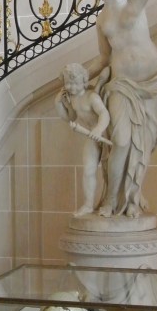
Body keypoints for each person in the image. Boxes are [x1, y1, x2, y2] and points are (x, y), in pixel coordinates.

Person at [87, 0, 157, 218]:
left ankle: (132, 199)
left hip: (153, 82)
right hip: (121, 86)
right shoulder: (102, 20)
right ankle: (110, 200)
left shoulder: (134, 3)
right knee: (121, 141)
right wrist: (82, 75)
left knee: (143, 143)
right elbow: (103, 57)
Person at [55, 63, 111, 216]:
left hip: (105, 134)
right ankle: (88, 205)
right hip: (91, 136)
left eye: (76, 83)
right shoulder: (72, 98)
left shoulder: (91, 97)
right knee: (88, 169)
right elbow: (71, 117)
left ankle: (111, 203)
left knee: (110, 172)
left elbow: (104, 114)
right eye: (68, 83)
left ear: (84, 81)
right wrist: (62, 104)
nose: (72, 87)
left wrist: (98, 129)